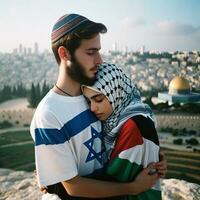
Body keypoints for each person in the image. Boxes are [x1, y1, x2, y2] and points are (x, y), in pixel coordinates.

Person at [30, 13, 166, 199]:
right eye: (90, 52)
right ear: (64, 53)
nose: (99, 60)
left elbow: (122, 129)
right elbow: (73, 187)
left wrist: (150, 155)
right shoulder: (49, 113)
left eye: (98, 51)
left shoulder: (94, 94)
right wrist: (133, 187)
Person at [82, 63, 164, 199]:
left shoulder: (134, 124)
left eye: (98, 99)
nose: (93, 108)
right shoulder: (114, 121)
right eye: (89, 101)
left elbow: (112, 180)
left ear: (116, 92)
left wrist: (59, 181)